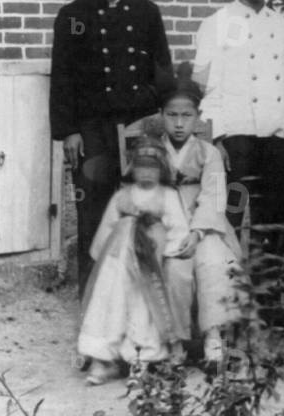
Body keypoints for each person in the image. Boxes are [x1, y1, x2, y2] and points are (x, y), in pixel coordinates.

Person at [50, 0, 172, 295]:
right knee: (94, 215)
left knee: (144, 210)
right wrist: (69, 131)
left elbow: (163, 78)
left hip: (138, 130)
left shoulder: (148, 13)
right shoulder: (73, 15)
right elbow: (62, 78)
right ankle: (93, 299)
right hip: (92, 133)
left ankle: (142, 297)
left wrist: (149, 117)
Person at [193, 0, 284, 239]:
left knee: (272, 220)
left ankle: (268, 284)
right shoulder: (216, 24)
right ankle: (225, 282)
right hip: (234, 143)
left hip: (273, 139)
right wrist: (214, 140)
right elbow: (203, 88)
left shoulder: (281, 26)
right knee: (228, 214)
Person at [77, 137, 192, 385]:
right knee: (110, 302)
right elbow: (108, 227)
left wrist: (167, 255)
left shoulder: (168, 196)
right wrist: (101, 257)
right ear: (132, 168)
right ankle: (103, 360)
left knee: (142, 307)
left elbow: (178, 228)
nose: (146, 172)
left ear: (162, 169)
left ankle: (140, 361)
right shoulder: (122, 196)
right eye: (141, 166)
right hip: (118, 260)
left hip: (149, 260)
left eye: (152, 167)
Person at [157, 73, 245, 365]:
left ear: (197, 117)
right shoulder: (152, 153)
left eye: (187, 115)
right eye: (172, 115)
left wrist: (196, 233)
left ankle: (213, 334)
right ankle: (176, 341)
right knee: (174, 269)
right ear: (162, 115)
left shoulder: (209, 153)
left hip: (205, 227)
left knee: (212, 262)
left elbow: (214, 197)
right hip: (166, 226)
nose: (179, 123)